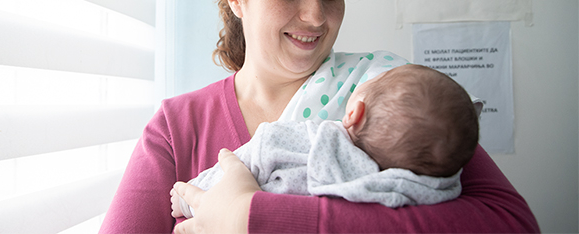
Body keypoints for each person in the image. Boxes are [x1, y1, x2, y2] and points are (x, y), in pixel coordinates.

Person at [100, 0, 540, 234]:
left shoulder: (388, 92)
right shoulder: (177, 128)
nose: (316, 15)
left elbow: (510, 224)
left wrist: (252, 217)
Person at [171, 63, 480, 219]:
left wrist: (188, 198)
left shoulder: (305, 138)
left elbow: (240, 164)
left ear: (354, 113)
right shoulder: (419, 189)